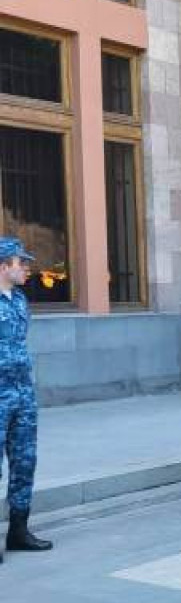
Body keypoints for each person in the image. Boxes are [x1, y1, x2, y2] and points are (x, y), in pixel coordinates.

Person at [0, 237, 52, 555]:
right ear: (3, 266)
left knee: (24, 462)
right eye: (22, 263)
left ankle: (18, 531)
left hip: (22, 393)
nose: (27, 268)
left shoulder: (19, 300)